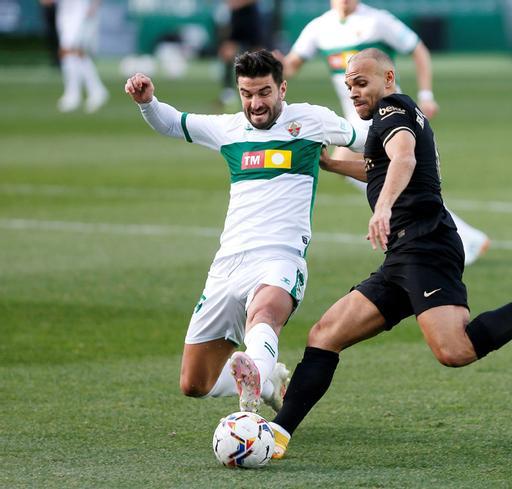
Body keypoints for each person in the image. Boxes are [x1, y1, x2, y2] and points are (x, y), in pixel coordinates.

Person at [267, 48, 512, 459]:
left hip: (427, 245)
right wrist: (334, 165)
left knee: (455, 350)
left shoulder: (393, 110)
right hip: (403, 253)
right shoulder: (388, 120)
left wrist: (384, 206)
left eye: (361, 83)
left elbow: (403, 158)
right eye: (348, 86)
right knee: (325, 336)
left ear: (388, 79)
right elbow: (379, 165)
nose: (354, 92)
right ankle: (278, 434)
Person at [124, 50, 365, 413]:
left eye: (264, 92)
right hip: (228, 265)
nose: (255, 103)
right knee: (194, 384)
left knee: (265, 314)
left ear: (282, 88)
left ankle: (256, 372)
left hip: (281, 258)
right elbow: (174, 122)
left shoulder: (313, 121)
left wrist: (392, 144)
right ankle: (266, 380)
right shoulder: (229, 129)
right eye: (247, 93)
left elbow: (370, 140)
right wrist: (147, 102)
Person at [279, 0, 490, 266]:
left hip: (386, 115)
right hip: (355, 121)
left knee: (399, 175)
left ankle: (458, 234)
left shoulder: (377, 21)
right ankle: (461, 234)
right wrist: (271, 67)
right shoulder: (319, 28)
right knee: (382, 174)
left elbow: (419, 49)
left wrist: (426, 95)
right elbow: (292, 65)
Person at [56, 0, 109, 113]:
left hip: (80, 8)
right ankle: (74, 93)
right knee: (68, 52)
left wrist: (94, 5)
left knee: (72, 50)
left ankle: (94, 90)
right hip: (65, 9)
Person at [216, 0, 264, 105]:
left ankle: (260, 88)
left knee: (257, 56)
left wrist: (239, 3)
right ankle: (228, 92)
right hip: (237, 16)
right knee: (227, 53)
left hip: (250, 16)